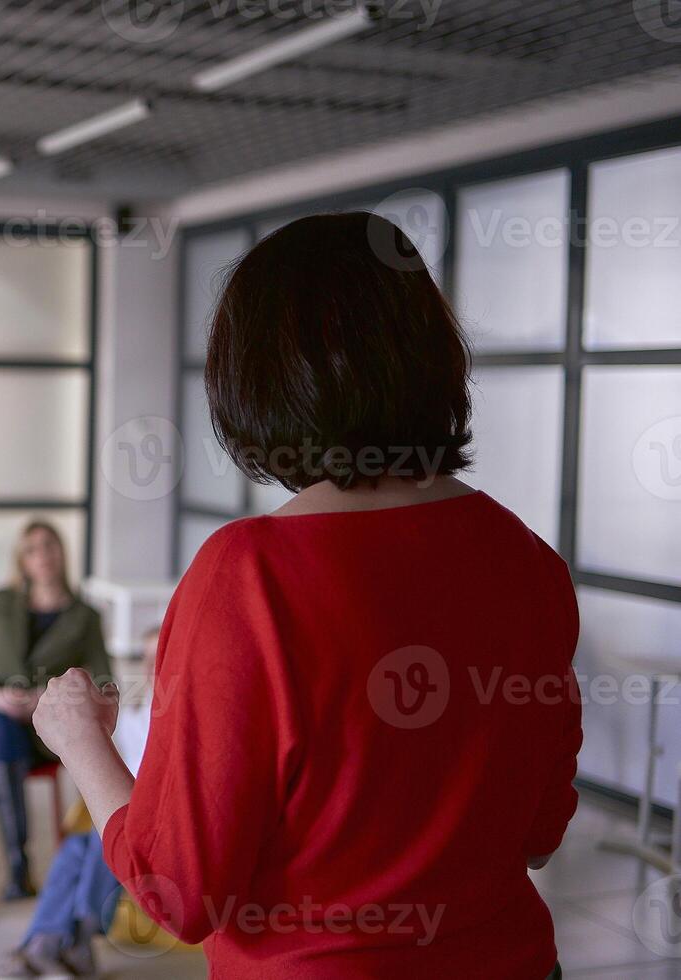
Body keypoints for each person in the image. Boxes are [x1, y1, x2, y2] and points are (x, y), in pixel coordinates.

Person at [33, 212, 579, 980]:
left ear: (255, 378)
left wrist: (80, 740)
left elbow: (181, 893)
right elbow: (539, 837)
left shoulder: (248, 577)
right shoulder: (530, 563)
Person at [0, 519, 112, 924]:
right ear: (23, 559)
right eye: (33, 548)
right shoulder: (4, 602)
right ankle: (18, 867)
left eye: (50, 546)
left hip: (35, 728)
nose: (43, 555)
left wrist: (43, 698)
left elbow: (104, 681)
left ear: (62, 554)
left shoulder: (83, 616)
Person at [0, 624, 159, 979]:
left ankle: (59, 941)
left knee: (106, 841)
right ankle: (58, 940)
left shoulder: (176, 717)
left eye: (159, 658)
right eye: (146, 658)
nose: (151, 668)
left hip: (152, 819)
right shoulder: (133, 715)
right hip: (127, 808)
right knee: (78, 847)